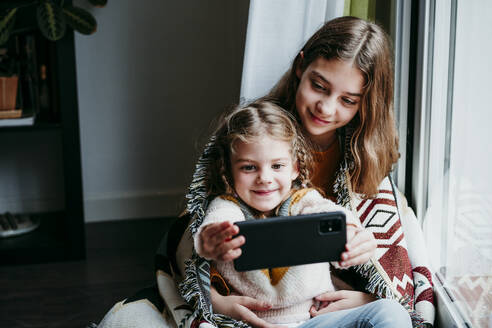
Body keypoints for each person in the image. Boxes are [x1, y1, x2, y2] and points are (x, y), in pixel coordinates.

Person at [96, 16, 434, 328]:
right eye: (319, 85)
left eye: (348, 100)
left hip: (322, 300)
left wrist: (368, 294)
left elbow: (376, 234)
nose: (326, 108)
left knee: (391, 312)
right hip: (252, 291)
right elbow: (201, 221)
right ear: (301, 67)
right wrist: (216, 300)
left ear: (365, 103)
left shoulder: (359, 154)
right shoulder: (253, 131)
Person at [193, 100, 398, 326]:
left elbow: (328, 213)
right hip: (257, 324)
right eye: (248, 167)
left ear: (295, 168)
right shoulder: (227, 206)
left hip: (316, 319)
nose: (265, 178)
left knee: (390, 312)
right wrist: (210, 241)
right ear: (228, 171)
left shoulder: (303, 200)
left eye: (277, 166)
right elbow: (213, 227)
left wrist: (351, 233)